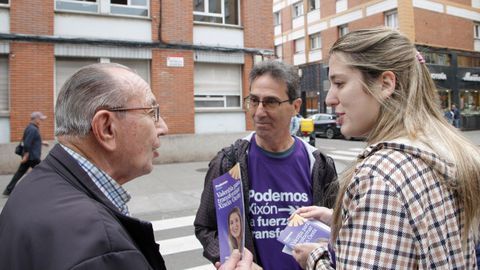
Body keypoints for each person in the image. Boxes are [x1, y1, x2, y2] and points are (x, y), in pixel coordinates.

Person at [292, 28, 480, 269]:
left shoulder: (380, 175)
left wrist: (315, 256)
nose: (330, 98)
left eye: (339, 83)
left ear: (386, 83)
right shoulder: (441, 150)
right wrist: (343, 220)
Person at [0, 63, 169, 269]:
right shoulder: (101, 245)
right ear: (106, 128)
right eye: (152, 112)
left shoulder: (36, 185)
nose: (163, 127)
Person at [194, 60, 338, 270]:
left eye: (270, 102)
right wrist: (234, 260)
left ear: (295, 106)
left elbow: (339, 229)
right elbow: (206, 227)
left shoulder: (319, 165)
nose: (259, 111)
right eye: (254, 100)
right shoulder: (229, 162)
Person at [3, 111, 49, 196]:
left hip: (30, 157)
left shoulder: (31, 128)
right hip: (32, 157)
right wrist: (26, 155)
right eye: (40, 119)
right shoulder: (33, 129)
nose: (41, 121)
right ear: (36, 119)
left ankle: (8, 190)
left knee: (20, 173)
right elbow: (27, 143)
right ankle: (44, 189)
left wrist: (42, 142)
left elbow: (31, 141)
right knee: (44, 171)